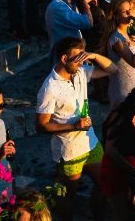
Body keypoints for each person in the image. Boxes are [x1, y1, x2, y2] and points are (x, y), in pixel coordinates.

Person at [36, 38, 113, 201]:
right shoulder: (49, 88)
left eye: (82, 58)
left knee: (105, 184)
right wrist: (73, 126)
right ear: (64, 59)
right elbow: (41, 125)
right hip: (69, 151)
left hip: (90, 143)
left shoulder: (81, 72)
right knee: (67, 198)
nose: (81, 62)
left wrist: (92, 56)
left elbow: (113, 69)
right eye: (77, 58)